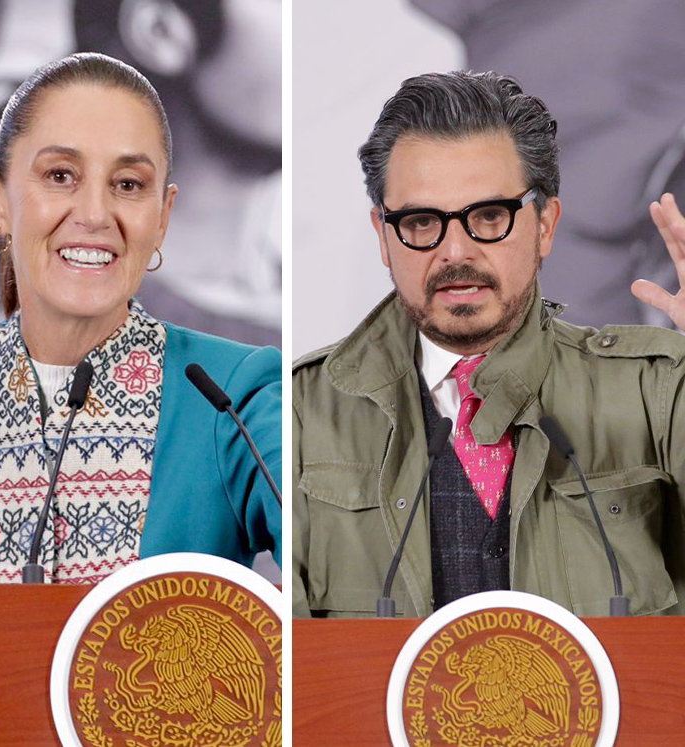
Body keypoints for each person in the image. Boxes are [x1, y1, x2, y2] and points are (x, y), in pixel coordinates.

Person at [293, 70, 685, 619]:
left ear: (545, 225)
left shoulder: (657, 389)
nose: (456, 251)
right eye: (423, 221)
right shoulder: (301, 412)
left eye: (489, 217)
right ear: (384, 235)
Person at [0, 53, 281, 584]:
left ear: (162, 217)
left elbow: (334, 573)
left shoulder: (232, 395)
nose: (95, 215)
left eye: (128, 185)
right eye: (60, 175)